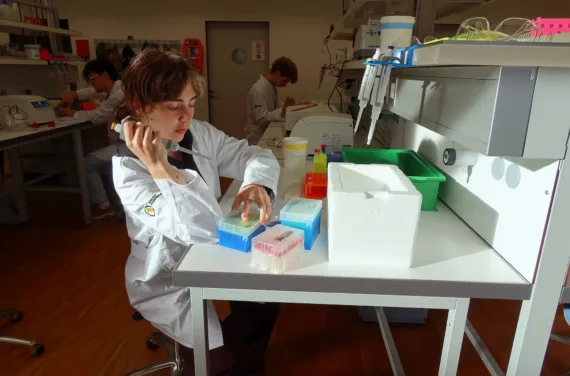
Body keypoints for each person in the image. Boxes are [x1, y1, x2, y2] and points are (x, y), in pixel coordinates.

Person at [112, 46, 281, 376]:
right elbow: (201, 229)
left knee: (265, 302)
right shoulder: (129, 171)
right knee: (213, 366)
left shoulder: (199, 134)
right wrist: (161, 167)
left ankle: (242, 356)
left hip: (217, 256)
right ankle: (220, 355)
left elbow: (255, 155)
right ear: (139, 106)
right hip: (169, 276)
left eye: (190, 104)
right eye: (174, 107)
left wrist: (257, 183)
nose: (185, 117)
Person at [59, 59, 124, 219]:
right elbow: (94, 92)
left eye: (92, 78)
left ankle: (104, 206)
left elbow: (97, 117)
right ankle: (114, 201)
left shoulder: (118, 95)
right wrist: (74, 94)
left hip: (127, 145)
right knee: (103, 165)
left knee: (86, 163)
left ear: (104, 75)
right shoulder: (119, 88)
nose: (91, 83)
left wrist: (72, 114)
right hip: (124, 142)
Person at [245, 56, 298, 145]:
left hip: (266, 132)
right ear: (277, 73)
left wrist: (292, 106)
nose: (285, 85)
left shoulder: (271, 86)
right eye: (285, 81)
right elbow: (261, 119)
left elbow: (273, 106)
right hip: (257, 137)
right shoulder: (259, 90)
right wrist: (284, 109)